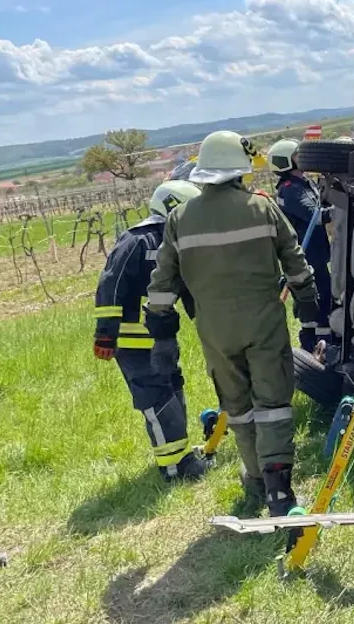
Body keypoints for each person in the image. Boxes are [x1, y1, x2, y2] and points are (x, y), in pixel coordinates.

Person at [144, 130, 323, 523]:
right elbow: (296, 263)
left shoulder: (179, 218)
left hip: (215, 332)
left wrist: (159, 330)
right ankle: (279, 490)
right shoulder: (262, 209)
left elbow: (162, 283)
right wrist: (308, 308)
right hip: (263, 324)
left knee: (238, 408)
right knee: (272, 404)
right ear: (240, 169)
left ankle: (255, 478)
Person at [93, 179, 208, 482]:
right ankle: (174, 469)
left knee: (173, 387)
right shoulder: (135, 240)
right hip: (132, 340)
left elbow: (189, 289)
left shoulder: (175, 242)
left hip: (161, 336)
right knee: (155, 397)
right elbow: (110, 286)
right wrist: (105, 335)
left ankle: (182, 455)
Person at [268, 138, 333, 347]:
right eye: (297, 156)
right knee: (316, 301)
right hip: (306, 254)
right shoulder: (291, 190)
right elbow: (316, 215)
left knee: (324, 297)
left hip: (317, 251)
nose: (302, 159)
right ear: (287, 162)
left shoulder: (304, 183)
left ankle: (323, 339)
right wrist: (346, 209)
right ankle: (314, 344)